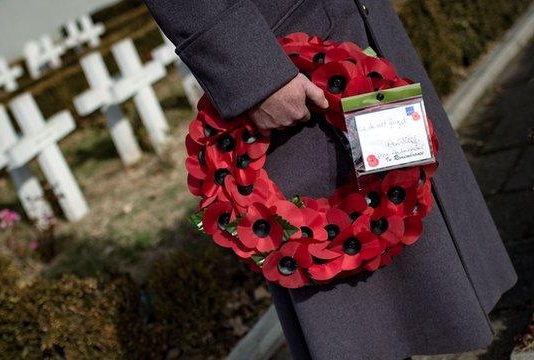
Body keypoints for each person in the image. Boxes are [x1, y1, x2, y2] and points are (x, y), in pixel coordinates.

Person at [143, 1, 518, 359]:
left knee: (423, 240)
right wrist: (253, 74)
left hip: (356, 28)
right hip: (282, 64)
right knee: (354, 320)